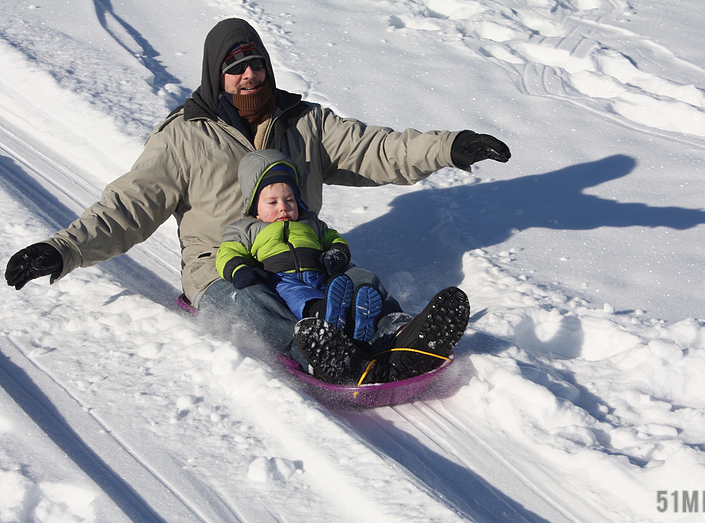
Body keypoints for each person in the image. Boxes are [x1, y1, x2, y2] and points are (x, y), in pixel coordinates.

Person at [4, 17, 509, 373]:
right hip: (226, 266)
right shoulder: (184, 136)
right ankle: (318, 349)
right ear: (216, 76)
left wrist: (448, 147)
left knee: (355, 279)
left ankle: (397, 332)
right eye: (236, 67)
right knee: (250, 304)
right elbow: (129, 205)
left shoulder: (304, 122)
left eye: (257, 64)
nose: (249, 75)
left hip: (301, 253)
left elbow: (375, 148)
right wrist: (62, 249)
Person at [217, 148, 384, 343]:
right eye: (272, 202)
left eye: (289, 200)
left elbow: (334, 239)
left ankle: (357, 322)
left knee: (339, 293)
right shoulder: (245, 229)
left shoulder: (311, 223)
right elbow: (227, 252)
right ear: (255, 208)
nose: (283, 207)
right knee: (301, 298)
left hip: (319, 276)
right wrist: (240, 269)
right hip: (281, 281)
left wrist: (337, 253)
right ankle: (323, 320)